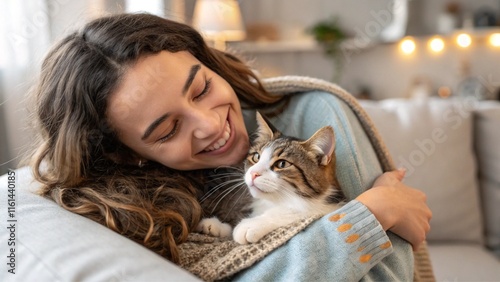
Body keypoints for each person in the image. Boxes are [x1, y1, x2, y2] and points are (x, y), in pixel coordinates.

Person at [28, 13, 431, 281]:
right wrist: (376, 211)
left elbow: (389, 273)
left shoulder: (314, 113)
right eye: (168, 130)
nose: (210, 125)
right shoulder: (138, 206)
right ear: (127, 154)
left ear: (207, 61)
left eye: (201, 87)